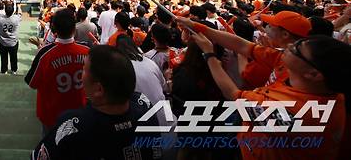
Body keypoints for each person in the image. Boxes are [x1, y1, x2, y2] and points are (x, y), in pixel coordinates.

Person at [182, 18, 349, 160]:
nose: (291, 46)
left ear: (314, 74)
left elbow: (233, 94)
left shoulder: (297, 112)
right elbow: (242, 46)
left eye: (297, 49)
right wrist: (197, 26)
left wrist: (209, 55)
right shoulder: (300, 72)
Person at [32, 45, 161, 160]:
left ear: (99, 89)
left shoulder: (72, 125)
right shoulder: (144, 105)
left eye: (84, 70)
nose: (81, 75)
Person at [25, 8, 90, 136]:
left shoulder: (45, 53)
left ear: (54, 29)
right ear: (74, 29)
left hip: (51, 115)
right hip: (79, 113)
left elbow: (32, 83)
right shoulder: (87, 51)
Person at [0, 3, 21, 74]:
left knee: (3, 57)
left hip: (3, 42)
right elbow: (20, 14)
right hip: (13, 42)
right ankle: (14, 70)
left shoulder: (0, 18)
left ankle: (4, 70)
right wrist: (19, 7)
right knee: (13, 57)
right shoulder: (16, 18)